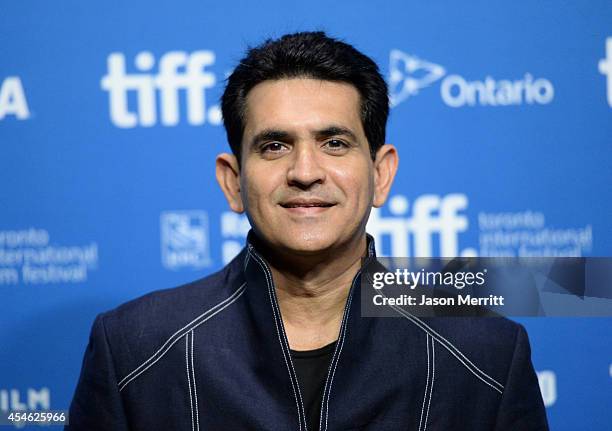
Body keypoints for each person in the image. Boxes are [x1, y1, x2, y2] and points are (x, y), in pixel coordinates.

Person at [66, 31, 549, 430]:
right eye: (274, 146)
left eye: (334, 143)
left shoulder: (486, 354)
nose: (305, 171)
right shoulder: (135, 348)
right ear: (233, 182)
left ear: (381, 173)